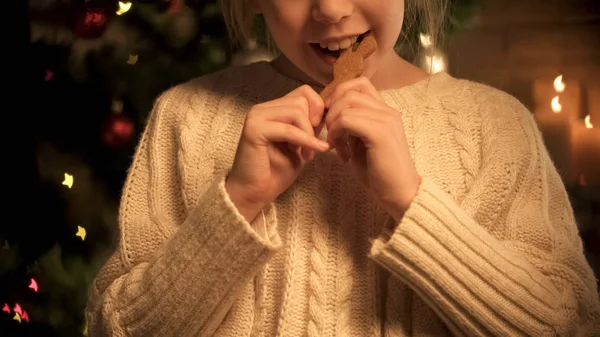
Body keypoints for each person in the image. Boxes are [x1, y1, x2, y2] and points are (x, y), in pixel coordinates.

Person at [85, 0, 600, 335]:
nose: (331, 10)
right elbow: (116, 327)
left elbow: (568, 323)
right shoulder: (187, 117)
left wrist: (413, 203)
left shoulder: (496, 125)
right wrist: (237, 204)